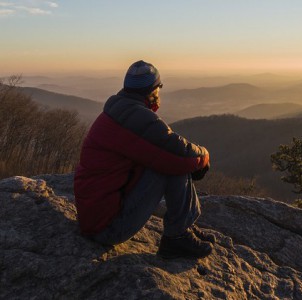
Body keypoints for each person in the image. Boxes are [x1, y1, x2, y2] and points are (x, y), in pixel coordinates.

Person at [74, 60, 214, 259]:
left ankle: (185, 226)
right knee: (173, 164)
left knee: (169, 159)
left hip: (95, 218)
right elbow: (179, 152)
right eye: (158, 89)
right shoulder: (135, 116)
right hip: (107, 228)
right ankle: (177, 237)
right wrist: (204, 157)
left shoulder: (119, 111)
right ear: (152, 90)